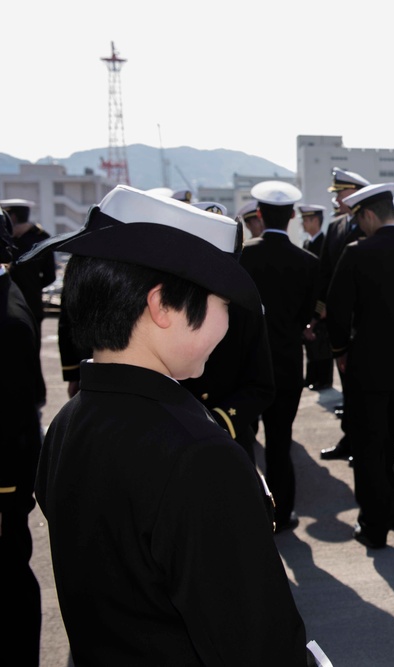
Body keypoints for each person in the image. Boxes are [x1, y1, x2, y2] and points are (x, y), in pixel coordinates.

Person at [22, 185, 309, 664]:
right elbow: (259, 643)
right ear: (162, 306)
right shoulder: (198, 455)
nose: (227, 322)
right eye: (221, 303)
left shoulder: (69, 421)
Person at [326, 183, 394, 548]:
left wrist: (341, 351)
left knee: (370, 449)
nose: (359, 226)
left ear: (369, 215)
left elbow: (338, 313)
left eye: (359, 219)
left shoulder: (356, 253)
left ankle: (374, 528)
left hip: (366, 369)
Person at [239, 180, 319, 532]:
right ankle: (282, 512)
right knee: (279, 442)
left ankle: (247, 510)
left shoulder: (243, 255)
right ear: (291, 216)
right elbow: (309, 312)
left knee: (243, 441)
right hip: (287, 362)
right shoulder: (308, 262)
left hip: (247, 362)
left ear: (258, 214)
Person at [0, 208, 43, 667]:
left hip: (5, 483)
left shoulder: (8, 320)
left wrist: (7, 493)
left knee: (10, 580)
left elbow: (11, 420)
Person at [318, 167, 370, 462]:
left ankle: (361, 441)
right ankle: (350, 438)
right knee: (346, 384)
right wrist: (321, 310)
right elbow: (324, 272)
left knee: (365, 387)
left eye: (341, 192)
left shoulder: (368, 224)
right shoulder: (336, 226)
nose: (337, 198)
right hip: (340, 321)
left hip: (364, 320)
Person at [1, 198, 55, 340]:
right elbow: (51, 276)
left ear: (12, 217)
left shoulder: (7, 241)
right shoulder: (42, 239)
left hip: (6, 304)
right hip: (33, 304)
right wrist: (34, 287)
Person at [300, 203, 333, 390]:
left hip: (321, 302)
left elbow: (325, 279)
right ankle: (312, 376)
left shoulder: (324, 244)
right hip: (309, 299)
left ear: (315, 220)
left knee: (322, 343)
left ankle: (324, 379)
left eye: (306, 220)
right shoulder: (307, 244)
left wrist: (321, 307)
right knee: (310, 344)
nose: (303, 224)